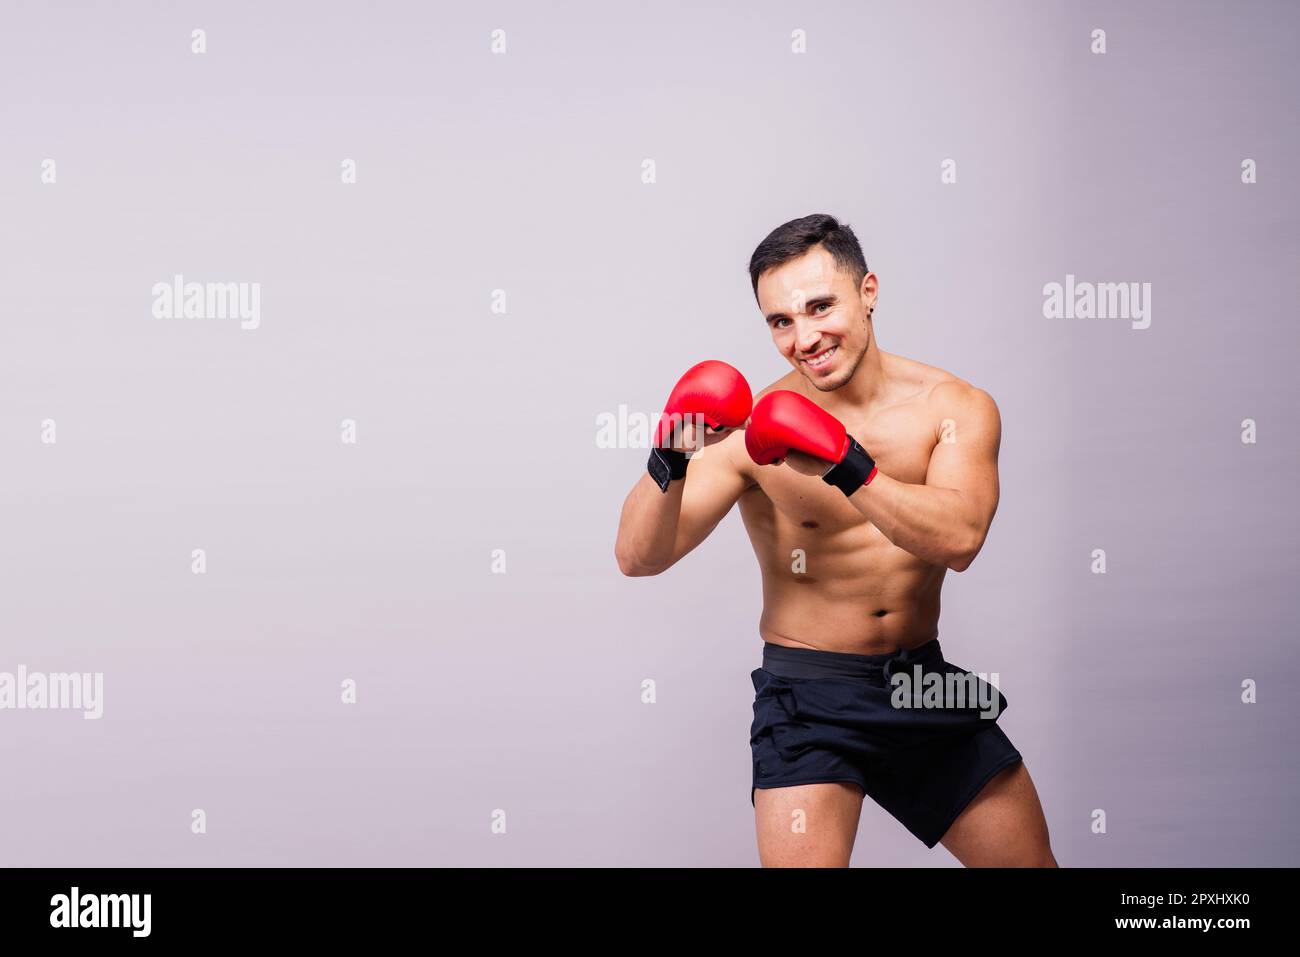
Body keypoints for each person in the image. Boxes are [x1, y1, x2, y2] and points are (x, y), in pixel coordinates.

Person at [615, 213, 1057, 867]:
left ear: (868, 291)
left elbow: (960, 537)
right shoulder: (749, 430)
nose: (805, 338)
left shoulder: (955, 407)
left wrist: (844, 462)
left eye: (820, 306)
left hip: (921, 684)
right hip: (808, 697)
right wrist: (669, 453)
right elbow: (637, 557)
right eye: (780, 321)